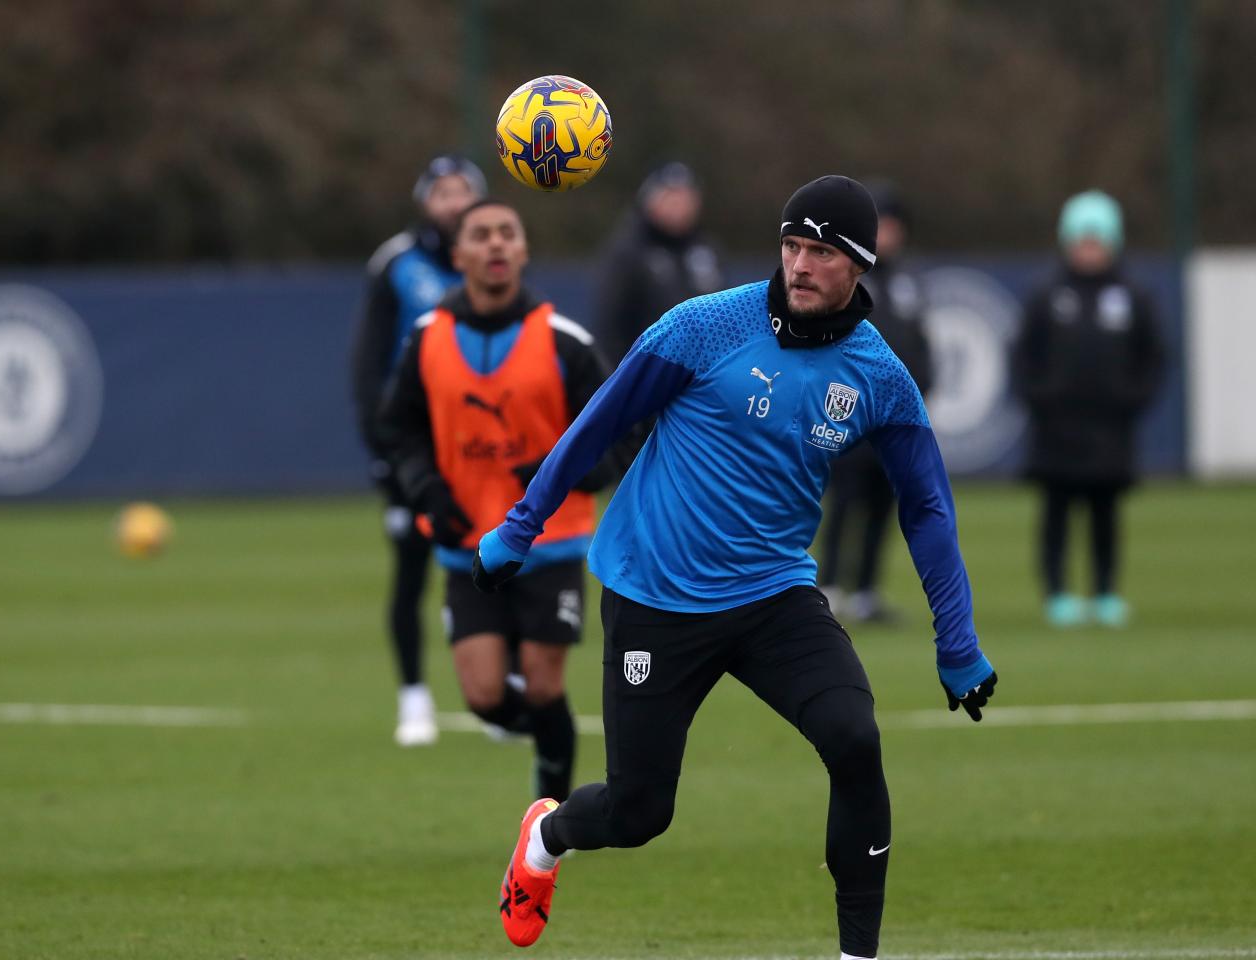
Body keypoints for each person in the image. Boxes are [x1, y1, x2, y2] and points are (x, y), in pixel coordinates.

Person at [474, 176, 999, 960]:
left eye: (820, 252)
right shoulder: (704, 325)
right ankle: (546, 837)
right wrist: (521, 525)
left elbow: (926, 507)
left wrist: (956, 644)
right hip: (656, 593)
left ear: (859, 263)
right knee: (639, 813)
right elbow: (600, 422)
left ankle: (860, 955)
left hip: (772, 595)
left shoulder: (880, 377)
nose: (800, 264)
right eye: (792, 246)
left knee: (855, 739)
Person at [376, 198, 619, 801]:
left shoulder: (564, 340)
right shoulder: (427, 338)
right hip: (466, 545)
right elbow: (399, 428)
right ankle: (555, 745)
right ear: (457, 255)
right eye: (480, 235)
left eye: (507, 233)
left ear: (523, 251)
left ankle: (551, 817)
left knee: (541, 686)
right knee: (485, 698)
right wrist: (428, 490)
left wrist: (564, 474)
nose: (495, 245)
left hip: (551, 541)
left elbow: (620, 427)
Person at [350, 153, 487, 747]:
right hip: (413, 445)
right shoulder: (396, 264)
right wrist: (382, 448)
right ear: (425, 200)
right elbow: (367, 362)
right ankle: (414, 696)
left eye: (463, 192)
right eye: (443, 192)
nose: (453, 203)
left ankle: (496, 691)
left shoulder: (491, 257)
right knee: (411, 572)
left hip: (480, 442)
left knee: (493, 567)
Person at [1015, 190, 1164, 628]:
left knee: (1105, 514)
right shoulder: (1047, 294)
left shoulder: (1133, 296)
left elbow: (1153, 357)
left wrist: (1131, 400)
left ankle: (1104, 593)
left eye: (1097, 240)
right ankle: (1058, 593)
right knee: (1056, 513)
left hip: (1110, 432)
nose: (1089, 249)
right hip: (1056, 432)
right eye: (1082, 240)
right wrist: (1041, 398)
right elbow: (1024, 356)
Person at [818, 182, 933, 622]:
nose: (888, 234)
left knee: (885, 503)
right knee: (843, 501)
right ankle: (828, 585)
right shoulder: (846, 274)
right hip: (847, 414)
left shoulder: (909, 282)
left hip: (895, 417)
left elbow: (921, 346)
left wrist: (920, 394)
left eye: (893, 225)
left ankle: (865, 590)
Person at [592, 161, 725, 365]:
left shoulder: (707, 250)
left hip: (705, 376)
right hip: (647, 373)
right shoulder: (628, 253)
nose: (678, 205)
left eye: (685, 197)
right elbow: (609, 328)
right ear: (650, 199)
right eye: (669, 196)